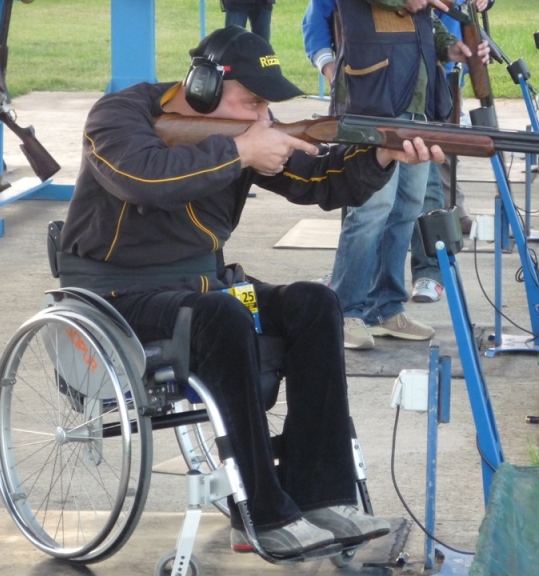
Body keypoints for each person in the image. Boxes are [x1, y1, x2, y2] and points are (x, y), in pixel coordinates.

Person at [58, 26, 444, 558]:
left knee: (315, 302)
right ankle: (261, 512)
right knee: (221, 315)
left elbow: (320, 183)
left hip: (200, 288)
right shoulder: (119, 115)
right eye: (253, 101)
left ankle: (320, 496)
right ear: (203, 88)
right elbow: (142, 177)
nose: (263, 116)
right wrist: (241, 150)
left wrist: (379, 158)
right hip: (118, 295)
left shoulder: (237, 135)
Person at [303, 0, 489, 349]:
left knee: (406, 208)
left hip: (416, 103)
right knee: (372, 210)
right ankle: (345, 310)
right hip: (372, 101)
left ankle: (385, 308)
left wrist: (451, 49)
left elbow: (426, 24)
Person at [409, 0, 489, 304]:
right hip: (374, 87)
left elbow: (429, 19)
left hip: (435, 76)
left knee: (431, 180)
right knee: (374, 204)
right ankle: (367, 291)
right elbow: (321, 18)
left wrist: (452, 47)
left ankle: (429, 271)